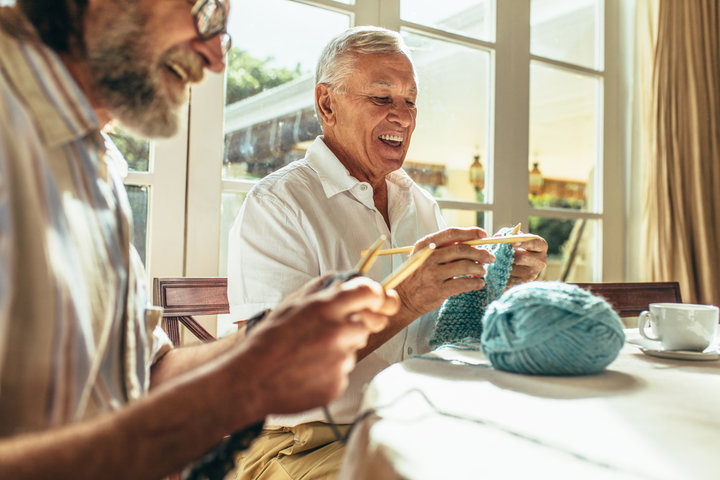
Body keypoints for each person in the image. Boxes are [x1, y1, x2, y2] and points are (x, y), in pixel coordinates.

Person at [0, 2, 402, 479]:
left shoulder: (91, 159)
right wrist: (244, 387)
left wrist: (265, 347)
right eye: (206, 10)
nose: (217, 58)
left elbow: (146, 377)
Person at [227, 26, 548, 479]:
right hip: (299, 442)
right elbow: (271, 375)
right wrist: (406, 297)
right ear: (326, 103)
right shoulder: (279, 203)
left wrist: (496, 285)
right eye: (382, 99)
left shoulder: (420, 204)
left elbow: (442, 334)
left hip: (413, 423)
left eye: (410, 101)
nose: (402, 116)